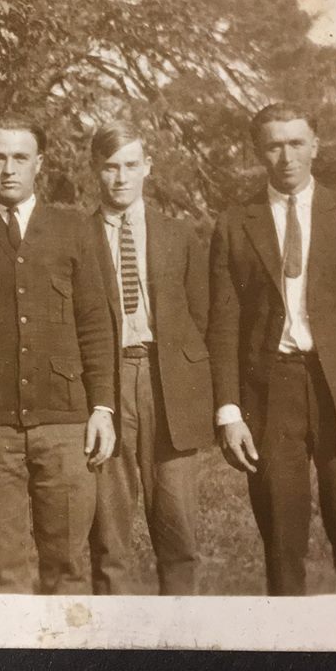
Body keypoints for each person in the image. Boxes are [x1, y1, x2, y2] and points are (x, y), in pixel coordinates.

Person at [0, 112, 116, 594]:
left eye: (20, 157)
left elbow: (96, 324)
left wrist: (102, 408)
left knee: (68, 566)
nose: (8, 168)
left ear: (39, 164)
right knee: (5, 569)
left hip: (66, 424)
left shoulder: (73, 230)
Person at [208, 102, 336, 595]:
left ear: (315, 146)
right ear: (258, 151)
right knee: (281, 538)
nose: (286, 156)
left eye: (297, 143)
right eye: (274, 145)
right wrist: (229, 411)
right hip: (271, 389)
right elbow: (222, 322)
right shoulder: (236, 223)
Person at [87, 121, 213, 595]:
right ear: (94, 171)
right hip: (107, 380)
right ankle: (113, 642)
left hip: (168, 381)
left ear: (148, 168)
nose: (121, 178)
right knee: (108, 532)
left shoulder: (178, 235)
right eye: (110, 167)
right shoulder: (76, 235)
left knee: (177, 524)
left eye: (131, 166)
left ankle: (180, 642)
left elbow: (201, 317)